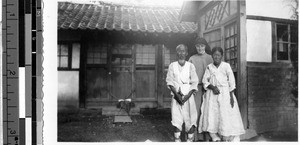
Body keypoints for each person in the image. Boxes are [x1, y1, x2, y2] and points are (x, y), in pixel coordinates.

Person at [198, 47, 245, 142]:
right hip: (213, 94)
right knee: (214, 113)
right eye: (214, 55)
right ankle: (215, 136)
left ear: (222, 56)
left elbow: (232, 82)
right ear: (212, 56)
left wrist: (231, 96)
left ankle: (226, 135)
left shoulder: (226, 66)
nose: (216, 57)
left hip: (225, 93)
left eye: (218, 55)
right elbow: (204, 81)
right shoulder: (209, 67)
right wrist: (212, 87)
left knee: (225, 113)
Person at [166, 44, 199, 142]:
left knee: (191, 119)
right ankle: (177, 140)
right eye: (179, 51)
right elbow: (170, 81)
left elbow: (194, 82)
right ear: (176, 53)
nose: (181, 53)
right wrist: (177, 96)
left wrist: (186, 97)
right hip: (176, 96)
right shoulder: (172, 66)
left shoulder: (190, 66)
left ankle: (190, 140)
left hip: (188, 97)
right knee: (176, 120)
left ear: (187, 53)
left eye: (183, 51)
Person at [188, 37, 213, 141]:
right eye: (197, 46)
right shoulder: (192, 59)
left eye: (202, 46)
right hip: (196, 89)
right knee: (196, 112)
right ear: (195, 47)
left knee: (207, 111)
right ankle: (195, 137)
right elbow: (188, 75)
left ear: (205, 46)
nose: (200, 48)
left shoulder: (210, 58)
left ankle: (207, 136)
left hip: (208, 88)